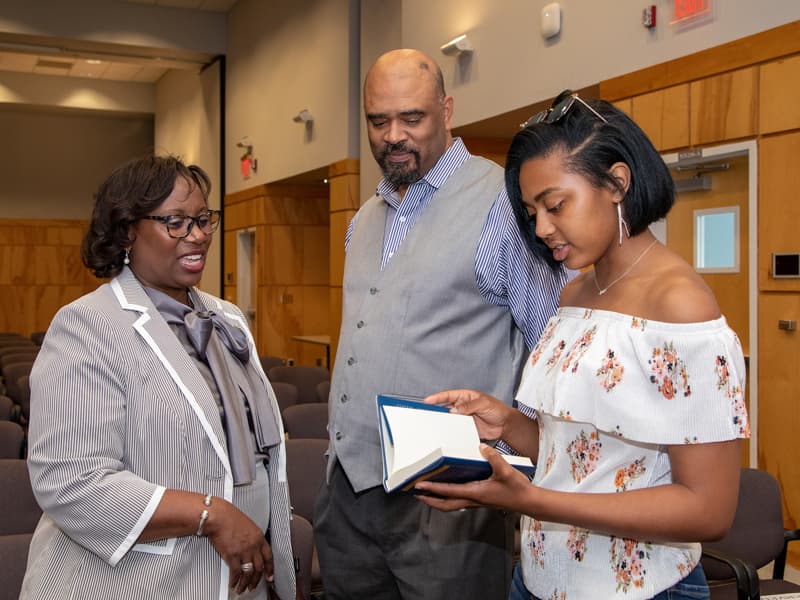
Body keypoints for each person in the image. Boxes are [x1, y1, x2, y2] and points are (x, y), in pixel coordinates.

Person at [416, 91, 750, 600]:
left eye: (555, 205)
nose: (543, 228)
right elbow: (577, 454)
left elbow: (708, 509)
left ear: (617, 183)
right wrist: (506, 423)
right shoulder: (575, 291)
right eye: (531, 212)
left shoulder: (680, 307)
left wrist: (534, 501)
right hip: (537, 579)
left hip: (637, 590)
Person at [312, 49, 570, 599]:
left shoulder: (503, 203)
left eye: (412, 118)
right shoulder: (363, 220)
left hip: (453, 505)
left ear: (447, 110)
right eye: (378, 121)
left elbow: (552, 345)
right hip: (349, 501)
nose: (393, 136)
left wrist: (505, 464)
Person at [21, 155, 297, 600]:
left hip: (237, 581)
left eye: (204, 220)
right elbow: (70, 481)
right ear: (128, 229)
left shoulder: (225, 317)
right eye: (176, 222)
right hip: (138, 583)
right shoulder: (87, 324)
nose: (200, 235)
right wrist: (212, 514)